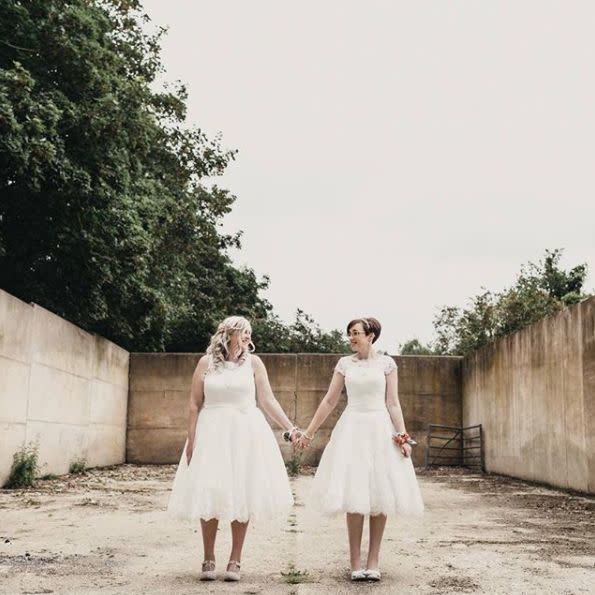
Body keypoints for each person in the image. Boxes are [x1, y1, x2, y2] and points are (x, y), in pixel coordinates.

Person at [168, 316, 300, 582]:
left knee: (241, 492)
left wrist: (290, 427)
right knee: (211, 491)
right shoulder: (206, 363)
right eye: (244, 333)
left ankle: (235, 559)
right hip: (211, 432)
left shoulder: (255, 363)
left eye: (249, 333)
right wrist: (192, 439)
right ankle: (208, 558)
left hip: (245, 433)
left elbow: (267, 399)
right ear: (229, 334)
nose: (249, 337)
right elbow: (194, 403)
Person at [297, 317, 424, 582]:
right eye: (350, 334)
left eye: (356, 333)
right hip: (352, 429)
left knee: (380, 494)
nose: (352, 338)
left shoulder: (387, 364)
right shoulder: (345, 364)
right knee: (354, 492)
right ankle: (355, 563)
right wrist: (309, 432)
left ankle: (373, 561)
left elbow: (393, 402)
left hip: (380, 429)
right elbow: (330, 400)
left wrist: (402, 436)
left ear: (371, 336)